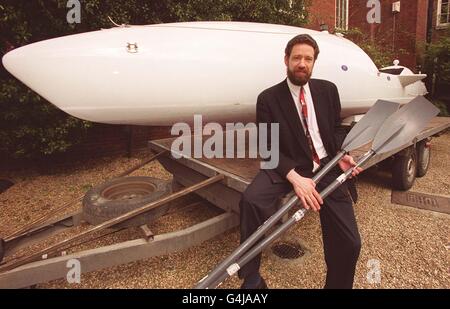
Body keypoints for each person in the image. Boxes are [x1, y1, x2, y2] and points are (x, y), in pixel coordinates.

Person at [238, 34, 362, 289]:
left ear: (314, 62)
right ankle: (251, 277)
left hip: (326, 165)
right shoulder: (269, 98)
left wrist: (341, 154)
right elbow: (266, 146)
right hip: (289, 165)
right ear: (286, 60)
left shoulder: (328, 90)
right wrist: (293, 177)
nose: (302, 63)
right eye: (297, 58)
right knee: (250, 201)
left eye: (308, 58)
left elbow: (337, 129)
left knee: (351, 243)